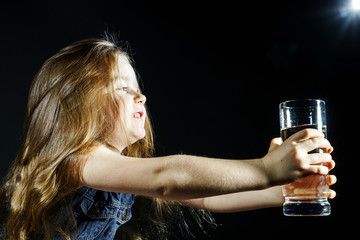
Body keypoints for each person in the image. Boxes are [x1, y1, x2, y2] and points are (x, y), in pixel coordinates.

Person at [0, 38, 336, 240]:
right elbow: (167, 178)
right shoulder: (77, 162)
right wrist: (264, 169)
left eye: (138, 88)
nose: (141, 97)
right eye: (123, 88)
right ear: (76, 103)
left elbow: (205, 197)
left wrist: (281, 191)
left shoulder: (118, 171)